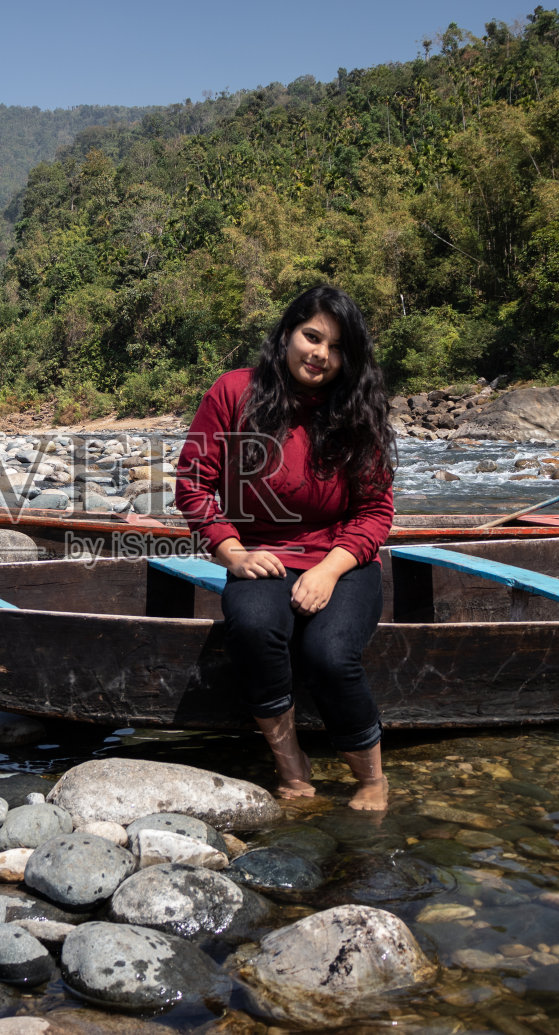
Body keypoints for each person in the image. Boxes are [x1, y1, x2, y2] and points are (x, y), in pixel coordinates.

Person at [174, 285, 396, 811]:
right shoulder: (233, 393)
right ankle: (291, 763)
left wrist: (327, 571)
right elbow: (193, 483)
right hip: (260, 552)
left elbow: (374, 513)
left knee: (329, 654)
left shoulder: (355, 409)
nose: (320, 354)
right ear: (286, 335)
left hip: (341, 556)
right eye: (311, 336)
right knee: (252, 627)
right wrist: (231, 551)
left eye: (336, 347)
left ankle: (371, 779)